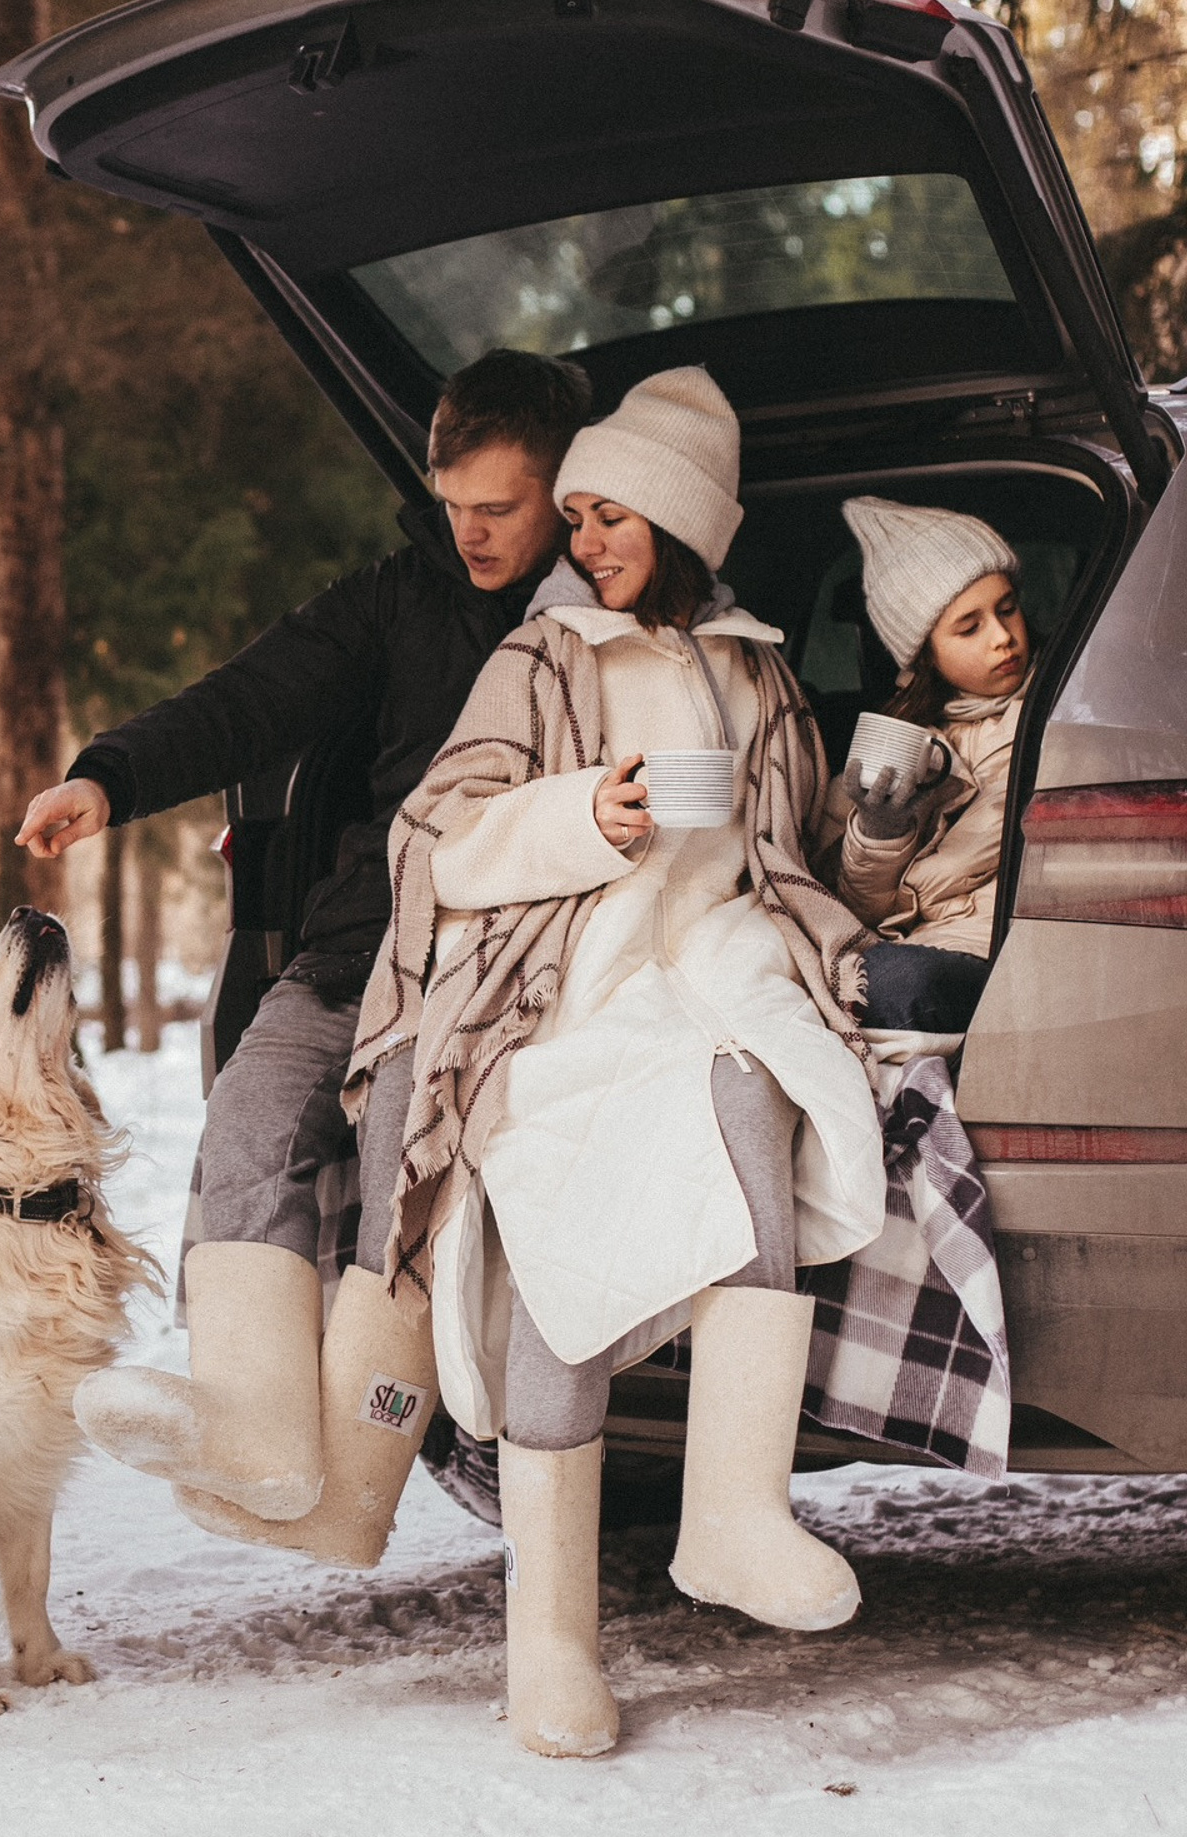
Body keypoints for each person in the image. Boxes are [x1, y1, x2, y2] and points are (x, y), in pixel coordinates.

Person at [345, 368, 886, 1756]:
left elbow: (804, 854)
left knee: (758, 1087)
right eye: (574, 517)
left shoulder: (758, 672)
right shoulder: (543, 661)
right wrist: (587, 813)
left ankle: (732, 1516)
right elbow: (440, 838)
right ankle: (550, 1646)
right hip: (563, 987)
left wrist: (870, 887)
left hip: (712, 972)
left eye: (610, 517)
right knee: (561, 1240)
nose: (586, 543)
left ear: (680, 518)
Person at [15, 350, 594, 1567]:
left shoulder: (609, 614)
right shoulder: (401, 598)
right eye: (454, 507)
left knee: (401, 1179)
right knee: (250, 1113)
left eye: (500, 508)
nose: (473, 533)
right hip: (353, 951)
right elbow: (255, 697)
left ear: (564, 490)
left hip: (494, 972)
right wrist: (107, 778)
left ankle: (353, 1498)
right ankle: (257, 1434)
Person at [827, 497, 1031, 1034]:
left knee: (886, 984)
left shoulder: (1059, 712)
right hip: (922, 948)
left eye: (1006, 608)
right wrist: (878, 832)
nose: (1002, 637)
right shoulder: (895, 746)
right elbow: (856, 911)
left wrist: (909, 892)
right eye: (969, 628)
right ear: (924, 655)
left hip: (1005, 942)